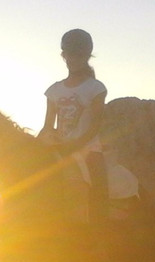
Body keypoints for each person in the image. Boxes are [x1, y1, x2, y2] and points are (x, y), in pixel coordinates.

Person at [38, 28, 109, 226]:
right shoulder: (54, 90)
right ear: (63, 55)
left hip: (88, 151)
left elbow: (95, 126)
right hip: (60, 149)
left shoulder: (96, 88)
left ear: (87, 56)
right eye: (69, 54)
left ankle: (99, 234)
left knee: (100, 191)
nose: (73, 59)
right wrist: (34, 145)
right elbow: (47, 126)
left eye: (78, 54)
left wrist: (75, 145)